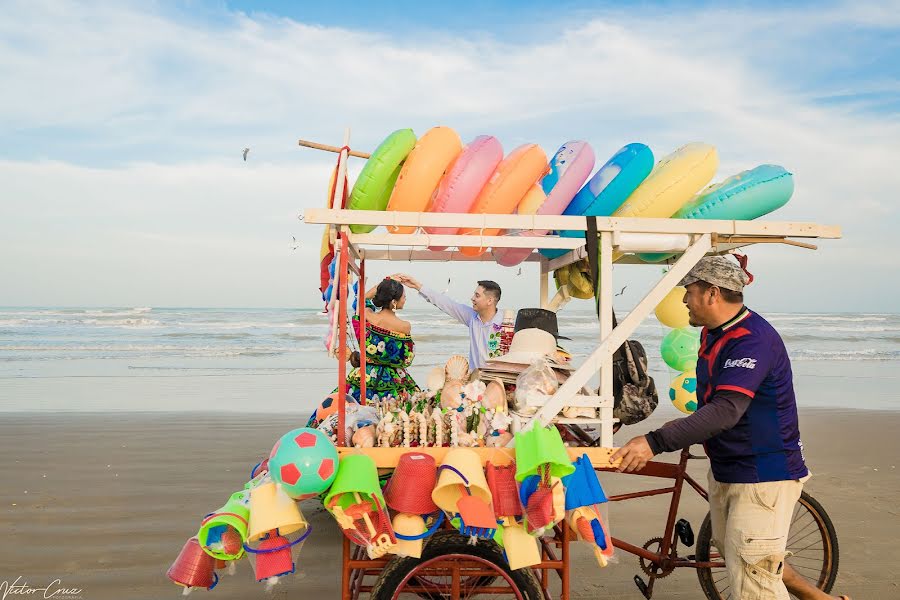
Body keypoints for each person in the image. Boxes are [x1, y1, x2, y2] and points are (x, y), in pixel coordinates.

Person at [611, 255, 849, 600]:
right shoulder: (713, 333)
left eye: (688, 291)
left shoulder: (751, 340)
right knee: (740, 553)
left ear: (711, 293)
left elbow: (726, 410)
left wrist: (655, 441)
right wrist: (684, 427)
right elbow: (713, 403)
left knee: (754, 580)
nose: (683, 300)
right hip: (729, 469)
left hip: (762, 475)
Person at [308, 277, 419, 427]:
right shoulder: (404, 326)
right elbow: (406, 359)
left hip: (364, 374)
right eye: (403, 296)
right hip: (393, 377)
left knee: (347, 406)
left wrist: (382, 284)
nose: (405, 300)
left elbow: (363, 299)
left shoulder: (366, 314)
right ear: (394, 301)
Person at [396, 274, 504, 370]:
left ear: (490, 301)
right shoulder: (472, 317)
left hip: (499, 380)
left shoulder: (506, 324)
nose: (472, 298)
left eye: (477, 295)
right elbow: (447, 304)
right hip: (474, 381)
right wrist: (417, 286)